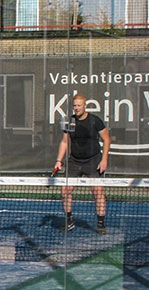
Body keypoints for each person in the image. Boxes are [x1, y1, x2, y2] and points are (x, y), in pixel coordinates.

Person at [53, 93, 111, 234]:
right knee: (65, 190)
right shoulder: (69, 121)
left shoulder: (94, 121)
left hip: (93, 160)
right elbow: (64, 142)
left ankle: (101, 224)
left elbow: (107, 140)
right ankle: (69, 221)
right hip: (74, 161)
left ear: (85, 106)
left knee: (97, 192)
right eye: (74, 105)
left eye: (79, 105)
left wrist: (104, 160)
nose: (76, 108)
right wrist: (58, 161)